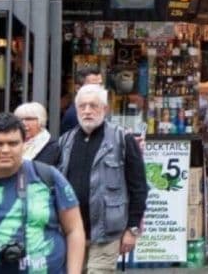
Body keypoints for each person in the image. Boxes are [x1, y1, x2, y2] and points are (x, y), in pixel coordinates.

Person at [56, 85, 147, 273]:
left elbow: (138, 187)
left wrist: (132, 229)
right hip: (71, 234)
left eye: (93, 106)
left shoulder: (122, 139)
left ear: (104, 109)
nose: (87, 111)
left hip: (107, 234)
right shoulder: (65, 141)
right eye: (82, 106)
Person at [0, 114, 85, 274]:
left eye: (13, 143)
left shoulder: (47, 176)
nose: (5, 150)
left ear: (24, 144)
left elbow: (74, 229)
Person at [59, 66, 102, 135]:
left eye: (100, 85)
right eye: (93, 86)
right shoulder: (76, 115)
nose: (98, 89)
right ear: (78, 88)